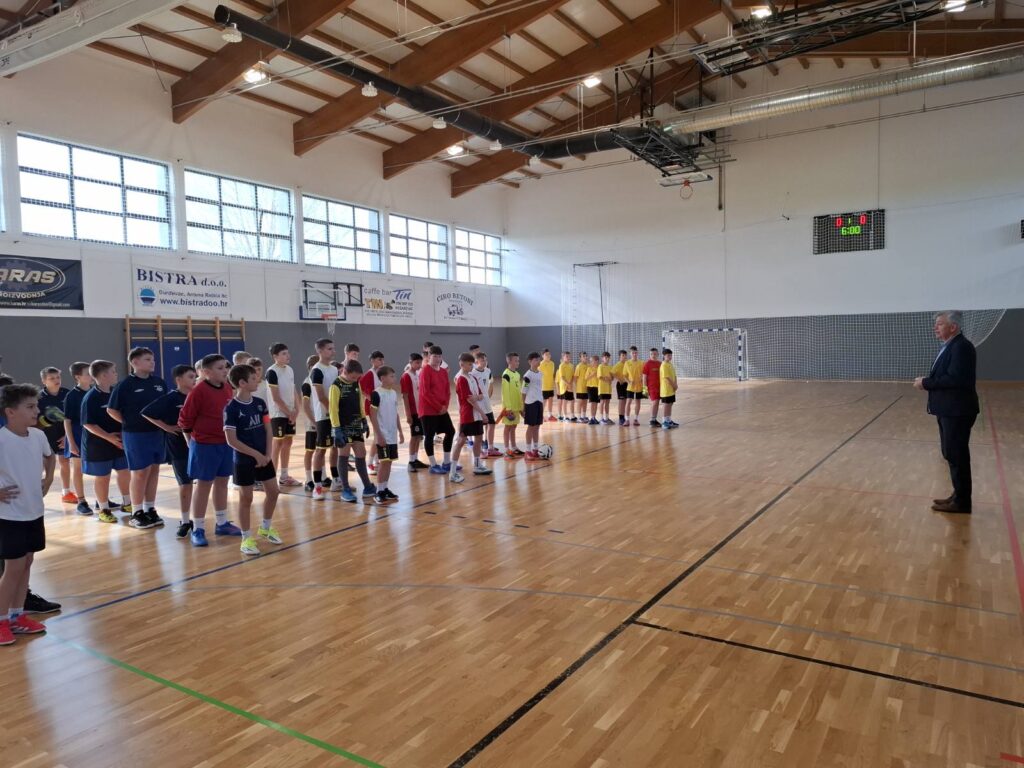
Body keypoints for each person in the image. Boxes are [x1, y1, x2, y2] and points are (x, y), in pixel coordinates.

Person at [0, 383, 55, 645]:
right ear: (10, 412)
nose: (37, 411)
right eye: (30, 407)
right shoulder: (1, 440)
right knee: (13, 568)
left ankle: (16, 616)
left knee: (27, 563)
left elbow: (50, 456)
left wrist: (49, 477)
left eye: (37, 406)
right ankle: (1, 620)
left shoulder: (38, 436)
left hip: (34, 511)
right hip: (9, 516)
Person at [914, 310, 979, 515]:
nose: (935, 327)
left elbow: (956, 379)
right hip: (949, 410)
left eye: (940, 324)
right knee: (951, 453)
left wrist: (926, 383)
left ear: (953, 327)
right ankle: (958, 495)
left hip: (957, 411)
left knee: (957, 455)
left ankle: (962, 502)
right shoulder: (951, 345)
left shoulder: (961, 347)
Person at [178, 354, 240, 546]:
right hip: (204, 445)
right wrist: (191, 442)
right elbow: (185, 420)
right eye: (220, 368)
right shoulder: (198, 391)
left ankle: (222, 523)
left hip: (225, 443)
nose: (225, 371)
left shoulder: (227, 388)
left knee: (222, 482)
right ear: (206, 372)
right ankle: (198, 528)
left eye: (225, 367)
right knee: (204, 485)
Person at [224, 364, 282, 556]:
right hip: (243, 460)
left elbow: (268, 429)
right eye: (254, 378)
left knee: (273, 492)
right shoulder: (231, 408)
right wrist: (255, 455)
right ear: (242, 383)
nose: (258, 381)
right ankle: (246, 538)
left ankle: (265, 527)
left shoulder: (260, 403)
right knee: (246, 498)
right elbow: (231, 440)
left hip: (264, 457)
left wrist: (267, 453)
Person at [107, 347, 166, 529]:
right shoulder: (125, 385)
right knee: (140, 472)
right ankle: (136, 512)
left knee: (154, 470)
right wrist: (129, 422)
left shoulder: (159, 383)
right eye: (147, 359)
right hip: (135, 435)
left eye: (152, 359)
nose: (152, 362)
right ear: (135, 362)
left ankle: (149, 508)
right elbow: (112, 409)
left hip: (157, 433)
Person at [142, 364, 197, 539]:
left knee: (203, 483)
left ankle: (204, 521)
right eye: (190, 377)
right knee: (185, 484)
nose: (194, 380)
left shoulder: (198, 396)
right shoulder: (171, 398)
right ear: (178, 380)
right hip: (178, 446)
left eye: (195, 376)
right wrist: (166, 427)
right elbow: (147, 412)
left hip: (200, 445)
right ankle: (185, 521)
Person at [81, 360, 131, 523]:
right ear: (103, 375)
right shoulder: (91, 397)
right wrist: (109, 437)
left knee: (124, 471)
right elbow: (88, 424)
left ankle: (127, 503)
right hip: (99, 445)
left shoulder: (115, 393)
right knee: (103, 477)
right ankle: (103, 509)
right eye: (113, 371)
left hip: (118, 443)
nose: (116, 374)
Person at [329, 359, 376, 503]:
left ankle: (367, 487)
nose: (356, 380)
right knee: (343, 455)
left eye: (357, 377)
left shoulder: (356, 383)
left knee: (361, 454)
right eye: (354, 377)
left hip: (356, 425)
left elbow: (360, 402)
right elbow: (333, 409)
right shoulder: (336, 386)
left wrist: (364, 420)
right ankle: (345, 489)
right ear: (345, 371)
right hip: (342, 426)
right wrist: (336, 429)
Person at [450, 353, 493, 483]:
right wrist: (483, 413)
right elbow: (470, 399)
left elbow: (480, 395)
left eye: (472, 364)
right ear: (461, 364)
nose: (471, 366)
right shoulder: (461, 379)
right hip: (468, 415)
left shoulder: (473, 377)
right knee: (461, 441)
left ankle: (477, 465)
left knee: (479, 438)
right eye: (469, 364)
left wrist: (476, 398)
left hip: (476, 415)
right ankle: (452, 472)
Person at [265, 343, 301, 487]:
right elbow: (275, 397)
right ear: (275, 356)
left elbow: (293, 390)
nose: (288, 356)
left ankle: (284, 476)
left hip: (290, 412)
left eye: (287, 353)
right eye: (284, 354)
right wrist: (289, 412)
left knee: (288, 442)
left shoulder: (290, 370)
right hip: (278, 413)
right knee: (277, 443)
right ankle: (271, 476)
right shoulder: (271, 372)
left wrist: (297, 409)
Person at [418, 346, 456, 475]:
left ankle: (446, 462)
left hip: (442, 409)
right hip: (428, 410)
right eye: (434, 356)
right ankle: (433, 465)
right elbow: (425, 393)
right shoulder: (425, 371)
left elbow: (447, 391)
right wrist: (439, 407)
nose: (437, 359)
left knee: (450, 431)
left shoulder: (443, 371)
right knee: (429, 436)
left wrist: (445, 406)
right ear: (429, 357)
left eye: (439, 356)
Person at [36, 367, 72, 505]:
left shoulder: (67, 394)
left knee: (65, 462)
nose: (56, 380)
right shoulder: (38, 398)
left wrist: (67, 436)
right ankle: (37, 493)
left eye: (58, 377)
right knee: (41, 465)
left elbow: (72, 417)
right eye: (52, 378)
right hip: (45, 437)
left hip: (63, 436)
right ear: (44, 381)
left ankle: (66, 492)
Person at [367, 367, 403, 503]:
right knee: (383, 462)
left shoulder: (393, 393)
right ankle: (379, 491)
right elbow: (373, 415)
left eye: (394, 376)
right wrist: (379, 435)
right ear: (382, 378)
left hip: (392, 434)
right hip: (383, 435)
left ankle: (385, 488)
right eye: (391, 376)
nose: (394, 378)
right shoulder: (376, 394)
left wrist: (400, 431)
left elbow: (396, 413)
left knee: (389, 462)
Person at [308, 338, 338, 501]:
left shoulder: (334, 369)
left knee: (335, 447)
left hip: (335, 415)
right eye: (329, 349)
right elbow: (321, 396)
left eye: (333, 348)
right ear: (319, 351)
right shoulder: (317, 370)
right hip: (324, 416)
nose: (333, 351)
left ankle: (336, 480)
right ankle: (317, 486)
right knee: (321, 449)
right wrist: (332, 411)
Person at [62, 361, 93, 515]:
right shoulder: (72, 396)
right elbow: (67, 421)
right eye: (88, 373)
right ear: (77, 377)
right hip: (77, 435)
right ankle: (81, 501)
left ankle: (103, 500)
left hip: (94, 435)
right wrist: (71, 442)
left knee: (100, 468)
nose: (91, 375)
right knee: (78, 468)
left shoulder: (95, 392)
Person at [400, 353, 429, 472]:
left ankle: (415, 459)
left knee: (418, 436)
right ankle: (411, 462)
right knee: (414, 436)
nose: (419, 365)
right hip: (413, 412)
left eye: (420, 362)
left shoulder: (417, 374)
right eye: (417, 362)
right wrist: (408, 414)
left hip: (420, 410)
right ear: (410, 362)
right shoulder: (406, 376)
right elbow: (405, 396)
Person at [360, 351, 386, 474]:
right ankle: (369, 463)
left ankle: (376, 459)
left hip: (382, 407)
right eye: (379, 359)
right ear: (372, 361)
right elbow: (360, 387)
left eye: (382, 359)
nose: (382, 362)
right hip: (372, 408)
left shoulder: (383, 373)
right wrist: (369, 397)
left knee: (380, 433)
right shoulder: (369, 374)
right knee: (377, 435)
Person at [472, 351, 502, 458]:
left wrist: (488, 395)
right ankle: (479, 450)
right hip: (478, 404)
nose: (485, 362)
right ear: (476, 361)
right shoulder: (472, 373)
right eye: (482, 360)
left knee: (491, 424)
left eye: (486, 360)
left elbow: (490, 383)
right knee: (478, 428)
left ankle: (490, 448)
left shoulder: (488, 371)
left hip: (487, 403)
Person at [521, 352, 546, 460]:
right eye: (536, 360)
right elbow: (523, 391)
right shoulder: (527, 376)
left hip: (539, 402)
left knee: (537, 426)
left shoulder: (540, 373)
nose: (538, 361)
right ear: (530, 362)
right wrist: (523, 406)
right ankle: (527, 450)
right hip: (530, 403)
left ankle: (535, 449)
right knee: (531, 427)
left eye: (538, 359)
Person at [500, 352, 524, 459]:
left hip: (516, 406)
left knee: (514, 426)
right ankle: (506, 449)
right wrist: (508, 408)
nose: (518, 362)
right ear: (509, 361)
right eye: (516, 360)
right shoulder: (506, 374)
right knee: (508, 427)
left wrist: (521, 407)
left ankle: (514, 447)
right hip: (509, 407)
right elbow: (505, 393)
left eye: (518, 360)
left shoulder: (517, 374)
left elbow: (519, 391)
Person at [300, 354, 318, 491]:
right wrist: (314, 422)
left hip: (321, 421)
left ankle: (322, 476)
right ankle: (308, 479)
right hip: (312, 424)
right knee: (310, 451)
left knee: (321, 450)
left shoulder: (319, 382)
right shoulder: (307, 384)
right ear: (311, 367)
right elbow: (305, 407)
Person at [623, 346, 645, 426]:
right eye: (633, 353)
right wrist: (629, 381)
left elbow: (644, 374)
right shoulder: (627, 363)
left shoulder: (642, 363)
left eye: (635, 353)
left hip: (639, 386)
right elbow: (624, 375)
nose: (634, 354)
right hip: (630, 387)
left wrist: (642, 379)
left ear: (637, 353)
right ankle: (627, 419)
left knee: (638, 402)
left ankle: (636, 419)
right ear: (630, 354)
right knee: (628, 402)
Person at [659, 349, 679, 429]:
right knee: (666, 405)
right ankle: (664, 422)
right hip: (666, 389)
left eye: (670, 355)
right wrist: (674, 385)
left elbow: (674, 375)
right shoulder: (664, 365)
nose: (670, 357)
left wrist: (675, 384)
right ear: (664, 356)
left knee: (670, 404)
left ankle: (669, 420)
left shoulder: (670, 364)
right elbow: (667, 377)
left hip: (671, 389)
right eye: (668, 355)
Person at [643, 348, 662, 427]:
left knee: (657, 403)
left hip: (660, 387)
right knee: (655, 402)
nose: (653, 355)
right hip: (651, 387)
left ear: (658, 354)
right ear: (649, 355)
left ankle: (654, 419)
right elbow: (644, 377)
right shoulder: (647, 364)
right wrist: (644, 390)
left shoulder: (660, 363)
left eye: (655, 354)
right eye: (651, 354)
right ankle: (652, 420)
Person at [556, 351, 574, 422]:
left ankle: (572, 415)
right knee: (565, 401)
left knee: (572, 401)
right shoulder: (561, 366)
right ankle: (565, 416)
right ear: (563, 358)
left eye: (569, 356)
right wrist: (568, 384)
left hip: (570, 387)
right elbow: (562, 377)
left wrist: (571, 384)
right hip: (564, 387)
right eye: (566, 356)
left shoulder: (571, 365)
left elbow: (572, 376)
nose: (568, 358)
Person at [539, 349, 557, 422]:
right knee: (544, 402)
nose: (548, 356)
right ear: (542, 356)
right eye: (546, 354)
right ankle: (540, 416)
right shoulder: (541, 364)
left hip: (550, 386)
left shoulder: (552, 363)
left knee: (550, 400)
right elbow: (538, 374)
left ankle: (549, 415)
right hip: (544, 387)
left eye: (549, 354)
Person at [612, 350, 628, 426]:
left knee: (625, 401)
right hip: (621, 385)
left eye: (625, 355)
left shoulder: (627, 364)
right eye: (622, 355)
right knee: (621, 401)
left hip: (627, 384)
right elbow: (612, 372)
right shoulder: (618, 364)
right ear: (619, 356)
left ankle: (624, 416)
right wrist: (619, 379)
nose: (624, 357)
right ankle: (621, 418)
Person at [573, 352, 589, 422]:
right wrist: (577, 387)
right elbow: (575, 378)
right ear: (580, 358)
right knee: (580, 402)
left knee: (585, 402)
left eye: (586, 356)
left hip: (587, 387)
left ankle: (584, 416)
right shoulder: (579, 366)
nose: (585, 357)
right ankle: (579, 417)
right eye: (583, 356)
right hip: (580, 388)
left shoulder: (588, 366)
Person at [598, 352, 614, 424]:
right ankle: (601, 418)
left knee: (607, 402)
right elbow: (600, 377)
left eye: (608, 357)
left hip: (608, 388)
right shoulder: (600, 366)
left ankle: (606, 418)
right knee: (602, 402)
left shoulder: (610, 367)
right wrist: (607, 379)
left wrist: (611, 378)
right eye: (605, 357)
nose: (607, 359)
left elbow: (612, 377)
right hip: (602, 388)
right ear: (602, 358)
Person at [586, 355, 600, 425]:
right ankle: (591, 418)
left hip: (598, 387)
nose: (591, 362)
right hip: (590, 387)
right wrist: (592, 374)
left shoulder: (599, 368)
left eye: (592, 361)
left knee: (596, 403)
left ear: (597, 361)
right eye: (590, 361)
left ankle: (594, 417)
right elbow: (586, 378)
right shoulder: (589, 368)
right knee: (592, 403)